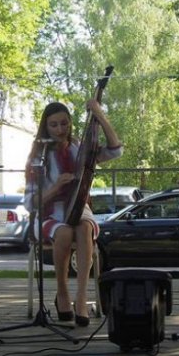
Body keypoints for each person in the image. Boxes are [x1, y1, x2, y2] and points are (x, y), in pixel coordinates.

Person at [24, 101, 122, 327]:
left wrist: (99, 114)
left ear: (70, 123)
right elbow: (30, 202)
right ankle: (62, 292)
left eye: (64, 123)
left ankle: (81, 297)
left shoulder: (80, 147)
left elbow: (115, 150)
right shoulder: (38, 156)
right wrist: (56, 186)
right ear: (45, 127)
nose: (60, 129)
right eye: (53, 125)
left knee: (84, 227)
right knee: (65, 233)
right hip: (49, 214)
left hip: (79, 207)